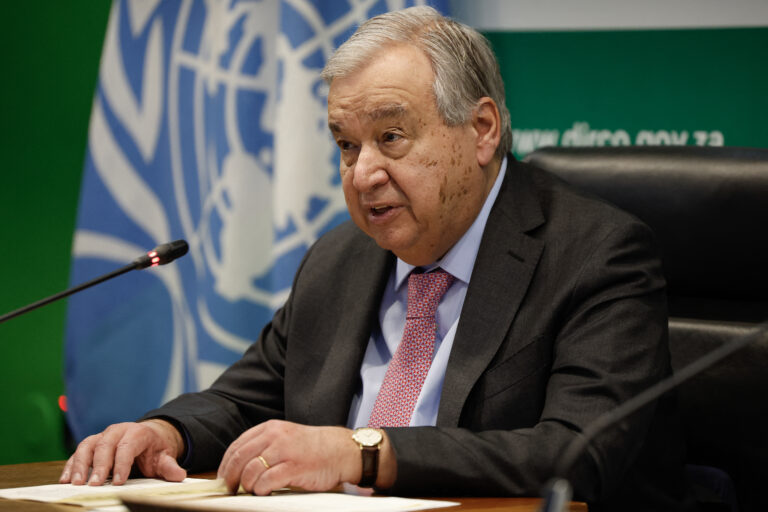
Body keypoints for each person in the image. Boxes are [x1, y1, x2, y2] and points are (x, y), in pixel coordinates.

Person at [60, 6, 690, 510]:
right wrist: (164, 432)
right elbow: (246, 399)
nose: (363, 175)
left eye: (391, 137)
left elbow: (575, 453)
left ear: (482, 130)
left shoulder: (596, 255)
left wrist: (363, 453)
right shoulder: (341, 258)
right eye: (345, 145)